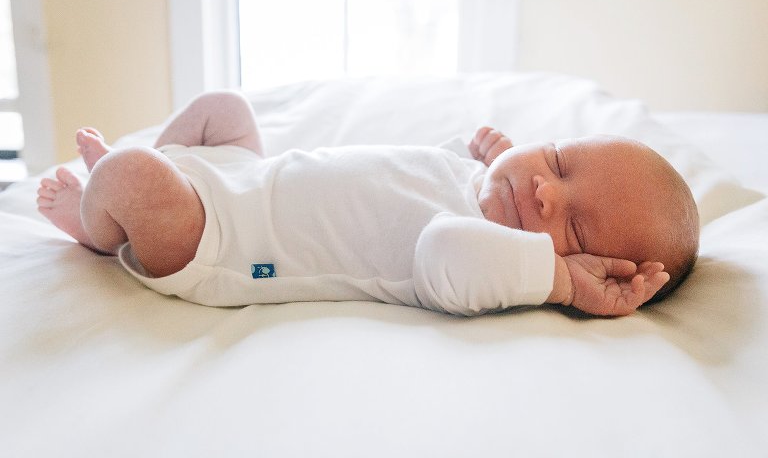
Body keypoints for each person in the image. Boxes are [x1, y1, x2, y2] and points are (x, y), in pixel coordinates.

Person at [36, 91, 699, 317]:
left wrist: (560, 283)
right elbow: (410, 173)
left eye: (572, 222)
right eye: (557, 160)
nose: (544, 189)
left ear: (580, 262)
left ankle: (100, 223)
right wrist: (489, 156)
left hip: (224, 241)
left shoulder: (476, 249)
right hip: (246, 175)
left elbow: (445, 252)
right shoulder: (476, 186)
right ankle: (142, 184)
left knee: (130, 173)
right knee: (224, 109)